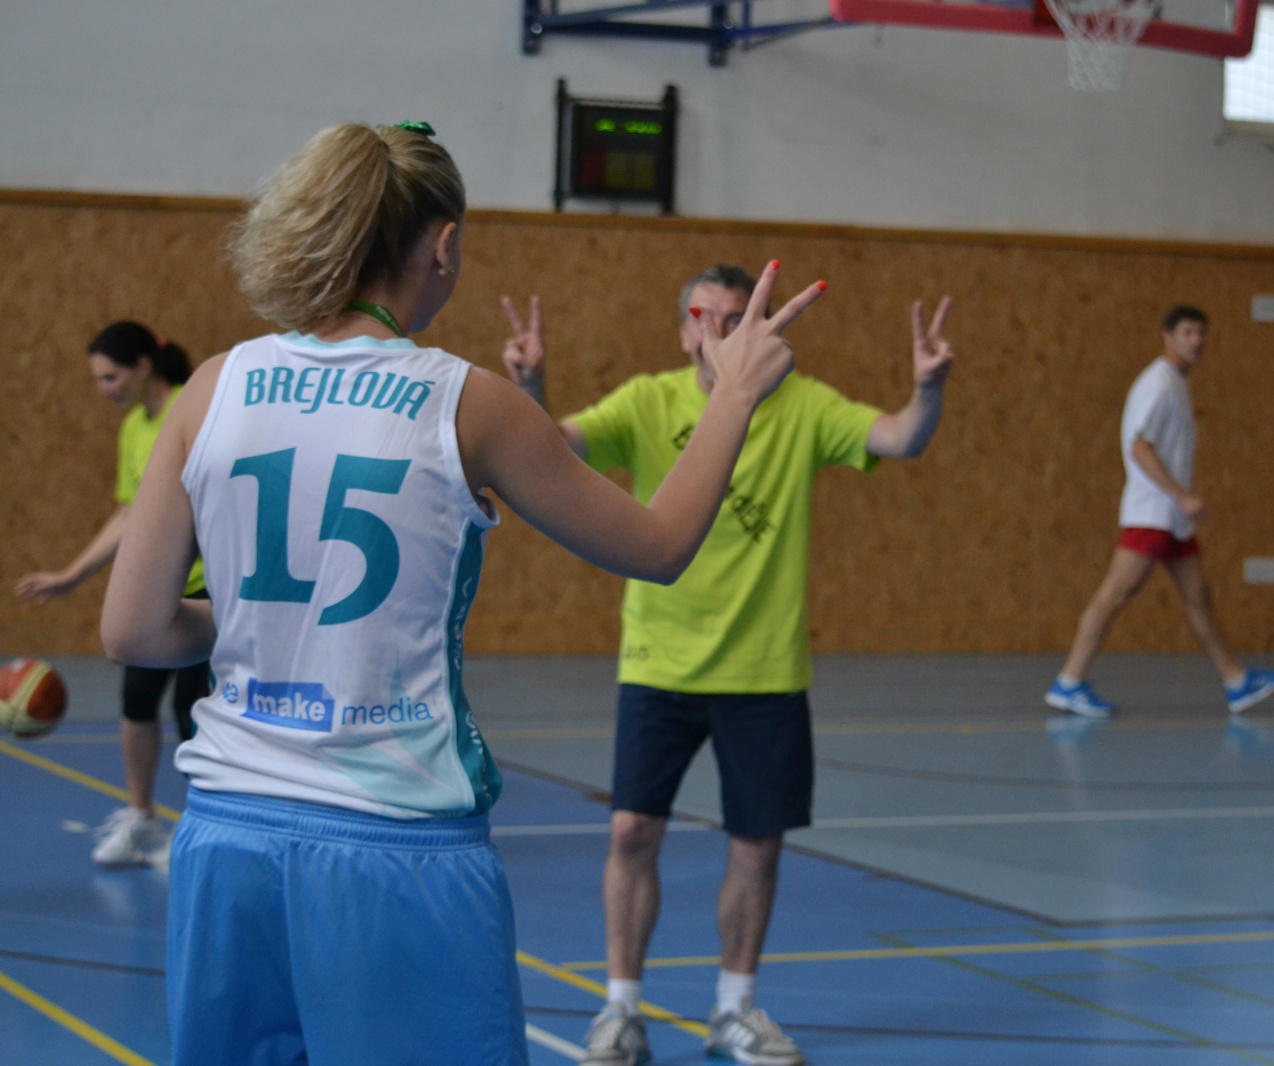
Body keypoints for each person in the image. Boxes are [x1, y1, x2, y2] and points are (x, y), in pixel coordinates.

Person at [99, 122, 818, 1066]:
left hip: (227, 837)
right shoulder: (466, 402)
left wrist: (269, 621)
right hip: (394, 844)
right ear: (442, 245)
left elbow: (134, 630)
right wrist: (733, 395)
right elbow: (661, 545)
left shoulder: (210, 388)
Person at [500, 268, 955, 1066]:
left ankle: (735, 1008)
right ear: (684, 330)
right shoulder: (648, 402)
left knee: (758, 844)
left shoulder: (805, 407)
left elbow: (901, 437)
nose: (718, 330)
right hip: (660, 663)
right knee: (631, 831)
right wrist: (531, 385)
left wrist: (929, 390)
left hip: (764, 669)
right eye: (703, 316)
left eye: (739, 317)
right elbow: (556, 446)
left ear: (762, 330)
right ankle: (621, 1010)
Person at [14, 322, 209, 867]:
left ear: (144, 366)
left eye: (109, 377)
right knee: (136, 704)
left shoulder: (190, 413)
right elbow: (131, 513)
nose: (102, 390)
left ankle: (202, 830)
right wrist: (72, 575)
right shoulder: (133, 427)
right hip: (160, 590)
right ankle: (142, 818)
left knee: (193, 712)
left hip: (208, 588)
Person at [1044, 305, 1274, 718]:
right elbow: (1139, 446)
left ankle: (1236, 681)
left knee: (1198, 597)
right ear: (1168, 336)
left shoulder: (1176, 384)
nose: (1196, 341)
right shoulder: (1158, 384)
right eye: (1187, 332)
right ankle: (1069, 682)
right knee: (1114, 595)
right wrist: (1181, 496)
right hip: (1152, 514)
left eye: (1201, 333)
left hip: (1173, 520)